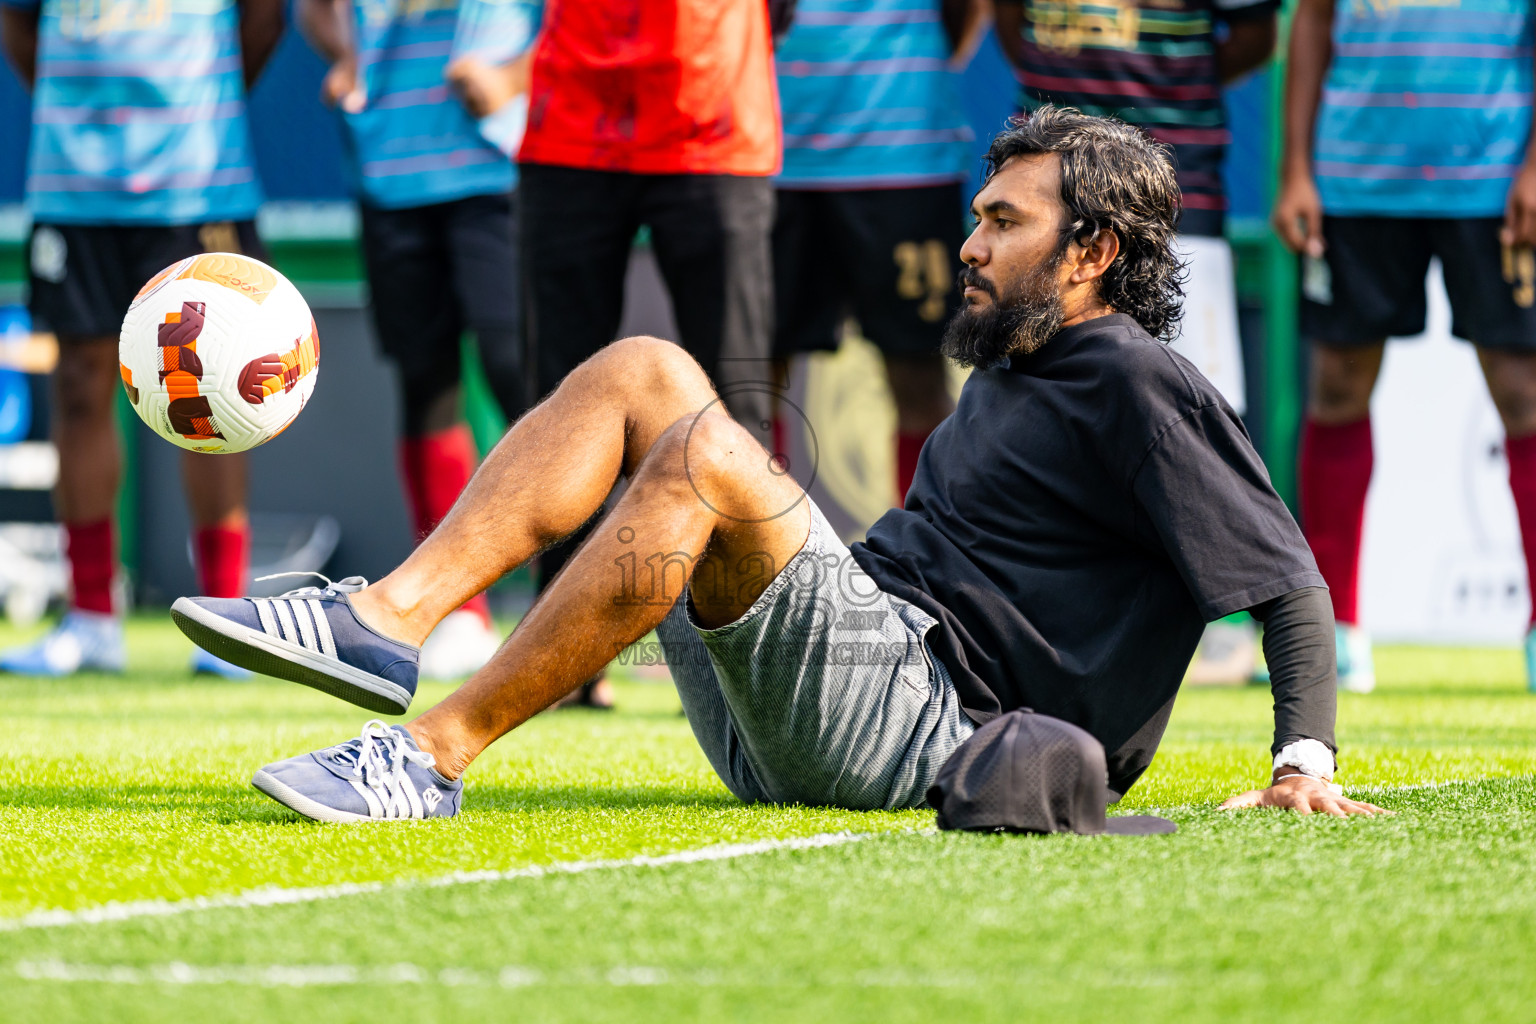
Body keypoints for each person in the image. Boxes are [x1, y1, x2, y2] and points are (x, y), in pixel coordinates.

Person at [172, 108, 1384, 823]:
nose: (969, 242)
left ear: (1092, 251)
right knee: (649, 366)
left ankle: (426, 755)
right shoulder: (1018, 367)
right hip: (821, 709)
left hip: (928, 725)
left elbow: (1288, 585)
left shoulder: (1137, 381)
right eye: (978, 214)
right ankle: (386, 619)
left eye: (1004, 222)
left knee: (702, 444)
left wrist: (1302, 759)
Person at [994, 0, 1279, 683]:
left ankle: (1226, 617)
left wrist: (1144, 126)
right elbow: (1009, 21)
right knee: (1040, 402)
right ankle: (1042, 607)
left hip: (1173, 194)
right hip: (1048, 201)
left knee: (1197, 409)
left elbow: (1254, 35)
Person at [0, 0, 283, 677]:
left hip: (197, 187)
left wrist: (195, 107)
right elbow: (18, 22)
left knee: (210, 390)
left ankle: (223, 620)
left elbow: (265, 19)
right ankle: (93, 617)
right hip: (74, 185)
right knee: (77, 385)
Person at [1273, 0, 1536, 692]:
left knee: (1524, 394)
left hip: (1493, 181)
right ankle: (1333, 633)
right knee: (1335, 385)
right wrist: (1295, 167)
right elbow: (1311, 22)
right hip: (1354, 179)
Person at [294, 0, 540, 678]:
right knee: (424, 384)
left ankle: (567, 601)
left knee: (522, 380)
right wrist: (346, 53)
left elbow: (581, 24)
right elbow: (317, 10)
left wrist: (514, 77)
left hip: (496, 171)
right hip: (391, 173)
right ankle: (458, 610)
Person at [771, 0, 981, 502]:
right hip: (768, 156)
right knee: (751, 378)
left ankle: (923, 565)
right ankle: (755, 571)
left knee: (918, 376)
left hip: (903, 156)